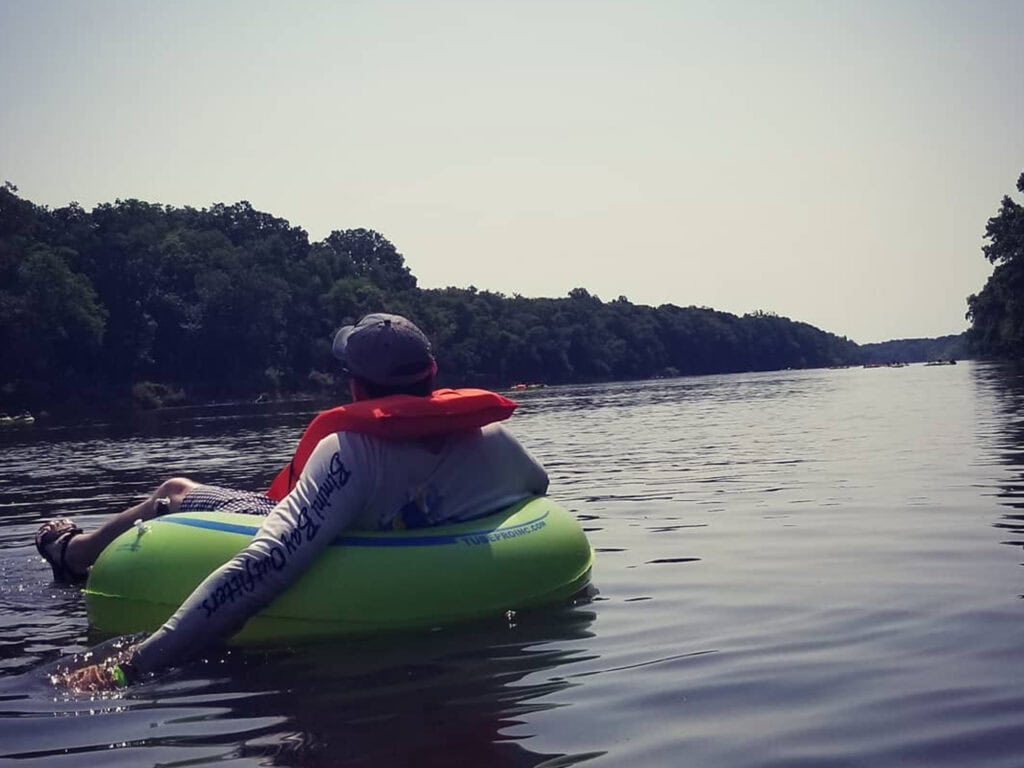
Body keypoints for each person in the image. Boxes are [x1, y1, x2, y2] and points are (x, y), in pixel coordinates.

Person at [38, 313, 549, 690]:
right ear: (433, 371)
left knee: (174, 491)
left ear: (353, 384)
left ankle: (73, 551)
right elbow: (538, 491)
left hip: (338, 533)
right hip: (427, 565)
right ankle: (75, 550)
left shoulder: (353, 451)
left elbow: (263, 567)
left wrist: (133, 665)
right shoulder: (496, 442)